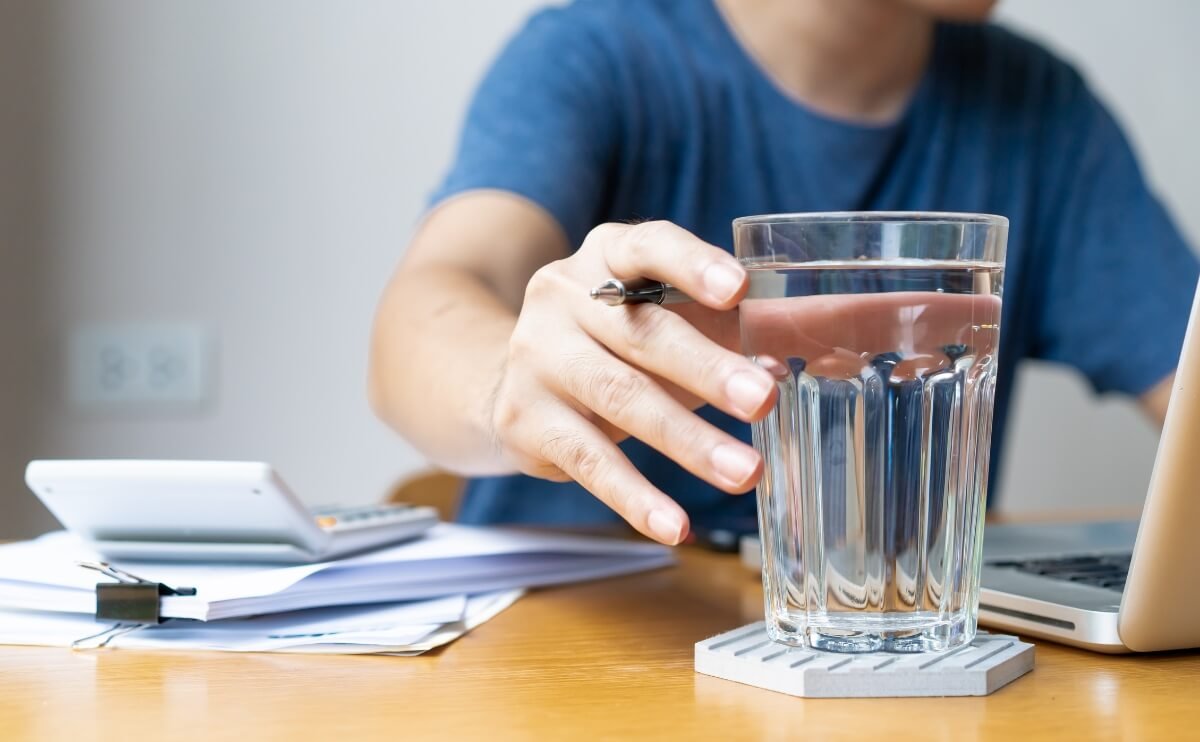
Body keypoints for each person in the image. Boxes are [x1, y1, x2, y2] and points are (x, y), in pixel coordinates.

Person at [369, 0, 1198, 545]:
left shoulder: (1039, 109)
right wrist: (502, 387)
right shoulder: (596, 55)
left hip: (883, 660)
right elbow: (426, 309)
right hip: (574, 662)